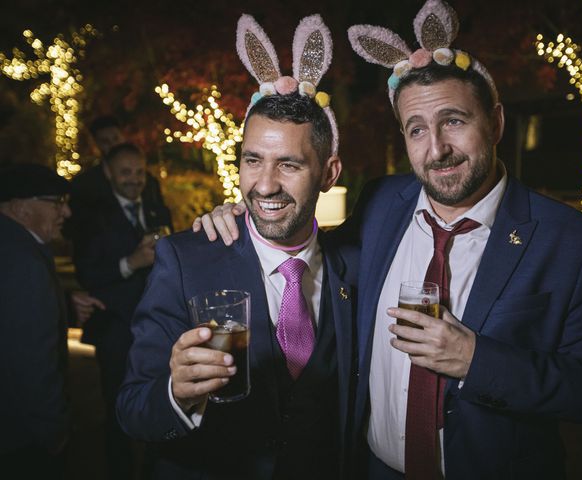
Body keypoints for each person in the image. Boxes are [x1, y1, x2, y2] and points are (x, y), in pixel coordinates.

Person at [195, 1, 582, 478]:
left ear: (497, 123)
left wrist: (476, 360)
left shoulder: (572, 242)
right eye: (417, 129)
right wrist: (245, 216)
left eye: (455, 121)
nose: (437, 148)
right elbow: (308, 248)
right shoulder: (383, 202)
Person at [117, 14, 354, 480]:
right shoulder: (185, 260)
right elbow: (132, 409)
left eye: (288, 164)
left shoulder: (359, 265)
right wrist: (178, 394)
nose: (264, 185)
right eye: (252, 160)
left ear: (329, 174)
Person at [73, 143, 173, 480]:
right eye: (125, 172)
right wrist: (132, 262)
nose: (134, 180)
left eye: (139, 172)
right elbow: (87, 273)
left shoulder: (159, 210)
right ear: (108, 173)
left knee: (161, 404)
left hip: (159, 328)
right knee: (118, 409)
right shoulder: (92, 218)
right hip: (115, 329)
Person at [0, 163, 103, 479]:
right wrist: (54, 430)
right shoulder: (25, 263)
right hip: (24, 437)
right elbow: (32, 361)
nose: (67, 212)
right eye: (57, 202)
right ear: (20, 207)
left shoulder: (14, 247)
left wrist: (63, 308)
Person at [67, 115, 166, 242]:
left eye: (116, 138)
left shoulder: (148, 182)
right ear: (96, 144)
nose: (113, 145)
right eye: (105, 141)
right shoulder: (84, 185)